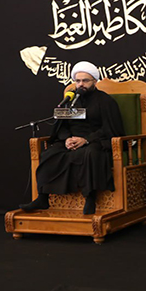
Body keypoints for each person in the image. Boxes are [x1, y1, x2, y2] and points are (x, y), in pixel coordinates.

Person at [19, 61, 125, 215]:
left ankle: (90, 198)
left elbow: (109, 128)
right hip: (70, 140)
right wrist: (67, 139)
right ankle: (43, 198)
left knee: (91, 153)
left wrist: (86, 139)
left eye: (85, 80)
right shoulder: (70, 101)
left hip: (94, 141)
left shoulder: (105, 101)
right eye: (78, 80)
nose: (81, 84)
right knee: (50, 154)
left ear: (94, 81)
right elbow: (62, 126)